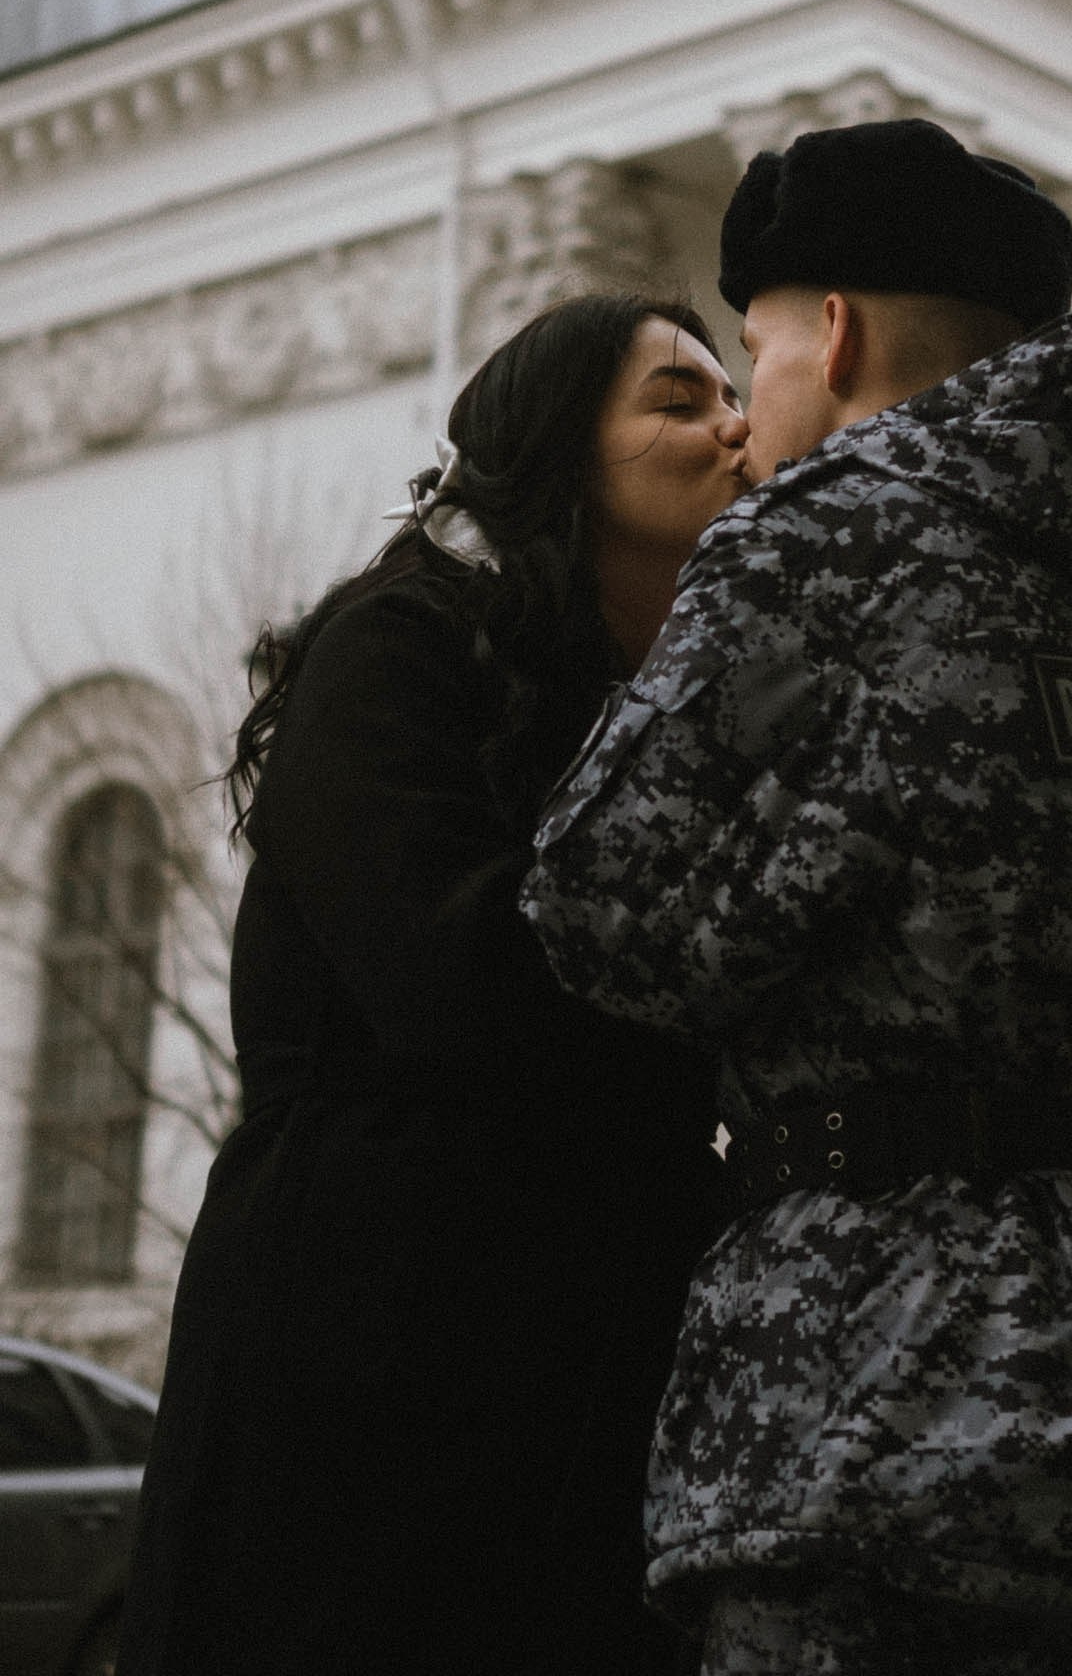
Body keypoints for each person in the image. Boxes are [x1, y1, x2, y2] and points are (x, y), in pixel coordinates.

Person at [525, 121, 1072, 1676]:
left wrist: (766, 905)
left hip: (873, 1389)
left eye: (757, 351)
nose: (747, 419)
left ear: (838, 334)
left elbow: (594, 897)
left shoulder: (828, 537)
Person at [117, 294, 749, 1676]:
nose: (734, 424)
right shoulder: (401, 645)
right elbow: (455, 972)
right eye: (678, 398)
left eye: (730, 393)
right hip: (368, 1334)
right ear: (558, 448)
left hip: (582, 1343)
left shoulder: (652, 696)